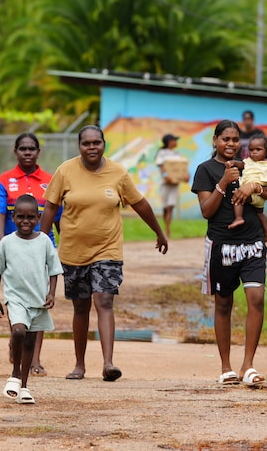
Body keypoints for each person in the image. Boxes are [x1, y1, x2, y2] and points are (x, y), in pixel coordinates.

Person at [40, 125, 168, 382]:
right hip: (73, 252)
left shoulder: (118, 173)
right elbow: (50, 208)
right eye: (86, 143)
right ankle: (79, 365)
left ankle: (108, 363)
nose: (91, 147)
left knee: (105, 301)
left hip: (108, 249)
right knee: (80, 307)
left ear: (104, 144)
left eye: (96, 142)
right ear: (79, 146)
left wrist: (159, 231)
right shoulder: (65, 171)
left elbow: (140, 203)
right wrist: (40, 243)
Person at [191, 120, 267, 387]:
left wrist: (255, 187)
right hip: (222, 246)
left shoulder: (251, 164)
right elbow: (206, 210)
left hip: (252, 243)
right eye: (225, 139)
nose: (230, 144)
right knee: (224, 304)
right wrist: (223, 183)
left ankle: (248, 366)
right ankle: (226, 367)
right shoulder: (205, 170)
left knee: (256, 297)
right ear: (215, 141)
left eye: (235, 140)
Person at [0, 133, 61, 376]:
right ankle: (17, 337)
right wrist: (2, 244)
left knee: (39, 299)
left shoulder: (50, 180)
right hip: (14, 249)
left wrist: (60, 244)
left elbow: (56, 214)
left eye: (32, 148)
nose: (27, 152)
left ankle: (35, 359)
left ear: (38, 151)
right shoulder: (4, 180)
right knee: (17, 298)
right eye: (23, 148)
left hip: (42, 248)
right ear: (15, 151)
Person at [0, 195, 62, 404]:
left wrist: (51, 293)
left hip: (38, 300)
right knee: (19, 331)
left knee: (30, 342)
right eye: (20, 217)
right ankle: (15, 374)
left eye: (30, 217)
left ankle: (24, 387)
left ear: (38, 218)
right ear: (13, 217)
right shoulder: (7, 243)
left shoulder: (44, 242)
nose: (25, 221)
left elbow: (54, 270)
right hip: (16, 298)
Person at [227, 133, 267, 241]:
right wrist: (233, 162)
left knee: (238, 197)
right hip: (254, 195)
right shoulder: (249, 161)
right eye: (251, 149)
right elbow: (241, 164)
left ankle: (239, 218)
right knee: (260, 213)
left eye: (258, 149)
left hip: (256, 194)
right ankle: (266, 230)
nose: (254, 152)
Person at [154, 133, 189, 238]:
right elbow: (161, 167)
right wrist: (166, 176)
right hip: (165, 184)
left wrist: (186, 176)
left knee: (170, 206)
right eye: (174, 140)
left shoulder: (177, 154)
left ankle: (167, 229)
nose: (176, 142)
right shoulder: (161, 153)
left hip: (175, 184)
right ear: (169, 142)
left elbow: (181, 169)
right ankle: (166, 227)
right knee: (165, 207)